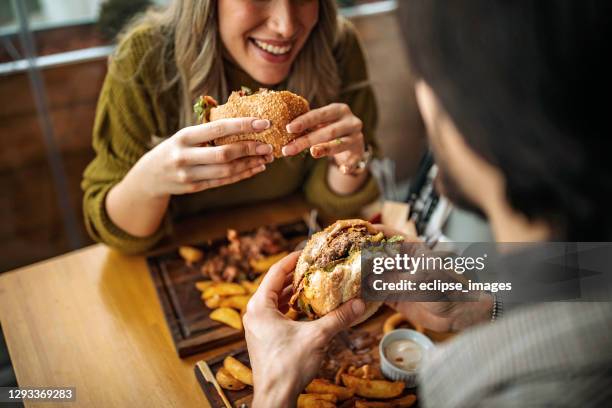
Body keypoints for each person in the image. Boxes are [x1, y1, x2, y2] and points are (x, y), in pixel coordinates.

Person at [243, 1, 612, 406]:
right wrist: (476, 305)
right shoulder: (594, 264)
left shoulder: (482, 391)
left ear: (483, 116)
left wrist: (273, 390)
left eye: (428, 78)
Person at [82, 0, 379, 253]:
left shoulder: (336, 46)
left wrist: (350, 161)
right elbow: (121, 237)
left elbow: (332, 208)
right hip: (176, 259)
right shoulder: (143, 59)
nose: (286, 26)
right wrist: (149, 183)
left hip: (290, 250)